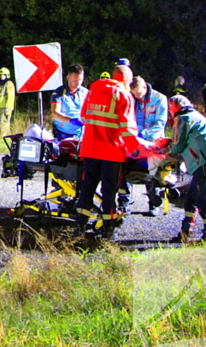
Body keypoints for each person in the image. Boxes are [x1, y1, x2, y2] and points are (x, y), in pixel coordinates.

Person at [75, 62, 154, 239]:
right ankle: (107, 230)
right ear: (127, 80)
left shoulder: (94, 89)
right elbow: (128, 130)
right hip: (111, 152)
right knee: (109, 191)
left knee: (87, 187)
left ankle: (80, 226)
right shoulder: (123, 95)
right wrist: (140, 149)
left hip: (90, 149)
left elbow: (84, 117)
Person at [165, 94, 206, 243]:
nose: (169, 111)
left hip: (205, 159)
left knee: (203, 196)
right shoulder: (192, 115)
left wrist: (163, 150)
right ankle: (185, 232)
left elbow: (178, 145)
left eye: (170, 108)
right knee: (192, 197)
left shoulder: (183, 118)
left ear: (175, 107)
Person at [128, 76, 169, 216]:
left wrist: (144, 134)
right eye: (134, 94)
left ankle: (154, 203)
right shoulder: (132, 98)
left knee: (152, 172)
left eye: (138, 93)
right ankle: (125, 202)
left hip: (153, 141)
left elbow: (160, 123)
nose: (137, 96)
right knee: (128, 168)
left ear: (144, 88)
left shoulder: (159, 99)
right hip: (135, 141)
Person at [50, 64, 88, 141]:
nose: (78, 83)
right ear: (68, 77)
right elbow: (55, 113)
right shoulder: (59, 92)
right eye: (75, 80)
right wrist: (71, 120)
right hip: (63, 133)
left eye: (80, 80)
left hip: (82, 133)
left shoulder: (85, 92)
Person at [0, 67, 16, 132]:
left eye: (3, 75)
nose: (2, 76)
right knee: (1, 122)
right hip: (1, 106)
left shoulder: (9, 84)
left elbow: (11, 96)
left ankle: (5, 136)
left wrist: (8, 107)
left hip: (6, 106)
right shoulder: (1, 84)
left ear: (7, 75)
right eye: (1, 75)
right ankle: (3, 135)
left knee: (5, 122)